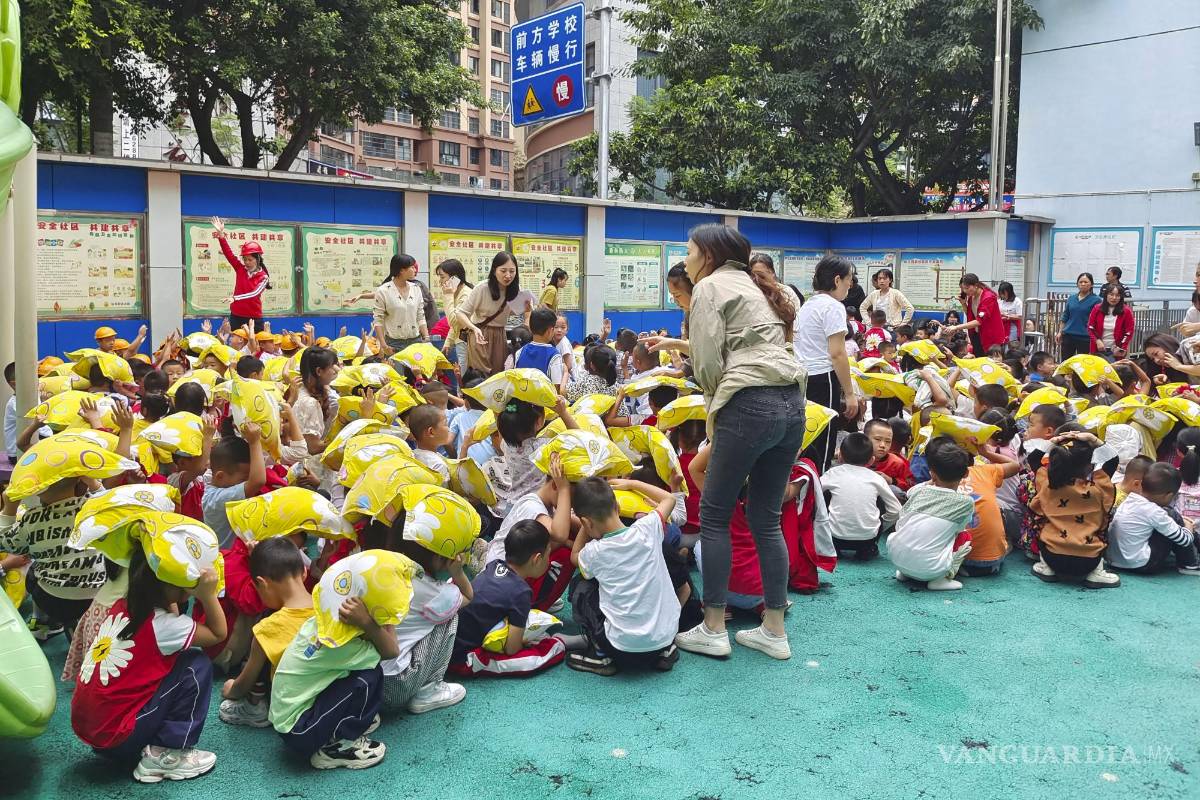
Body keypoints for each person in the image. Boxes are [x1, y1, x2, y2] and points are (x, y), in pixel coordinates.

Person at [671, 223, 804, 662]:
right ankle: (774, 630)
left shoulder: (709, 286)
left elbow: (708, 362)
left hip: (747, 402)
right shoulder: (756, 284)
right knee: (766, 519)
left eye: (690, 251)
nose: (686, 259)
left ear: (708, 255)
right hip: (792, 403)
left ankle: (713, 628)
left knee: (714, 515)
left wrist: (716, 409)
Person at [71, 551, 226, 783]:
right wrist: (208, 595)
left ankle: (148, 743)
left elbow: (172, 625)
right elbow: (218, 633)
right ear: (169, 585)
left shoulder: (123, 605)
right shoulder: (163, 625)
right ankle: (166, 753)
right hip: (117, 739)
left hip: (95, 733)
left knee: (177, 660)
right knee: (196, 664)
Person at [269, 578, 397, 769]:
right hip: (300, 731)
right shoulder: (337, 644)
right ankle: (337, 746)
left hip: (291, 722)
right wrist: (374, 623)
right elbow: (391, 651)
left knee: (357, 670)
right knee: (369, 675)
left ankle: (342, 724)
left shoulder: (320, 624)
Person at [567, 477, 683, 676]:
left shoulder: (594, 552)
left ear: (585, 522)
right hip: (664, 637)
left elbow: (574, 556)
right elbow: (669, 499)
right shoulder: (648, 528)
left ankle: (600, 655)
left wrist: (585, 529)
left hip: (620, 648)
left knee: (580, 585)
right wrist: (631, 484)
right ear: (618, 508)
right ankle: (665, 652)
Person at [449, 520, 568, 676]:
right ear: (537, 559)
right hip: (461, 658)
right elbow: (512, 649)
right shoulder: (522, 592)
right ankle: (558, 645)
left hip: (447, 639)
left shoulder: (494, 565)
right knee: (536, 656)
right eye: (548, 554)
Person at [218, 538, 314, 729]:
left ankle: (254, 706)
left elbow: (241, 687)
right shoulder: (324, 604)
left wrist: (230, 689)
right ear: (304, 572)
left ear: (262, 583)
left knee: (260, 654)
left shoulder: (268, 629)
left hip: (290, 706)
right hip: (323, 696)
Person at [794, 255, 863, 471]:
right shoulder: (833, 307)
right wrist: (850, 394)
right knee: (824, 437)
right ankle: (820, 480)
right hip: (823, 378)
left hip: (802, 377)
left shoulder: (808, 305)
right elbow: (837, 354)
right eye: (849, 279)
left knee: (808, 433)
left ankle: (805, 480)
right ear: (837, 280)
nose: (850, 284)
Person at [1028, 430, 1120, 588]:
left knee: (1042, 524)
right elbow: (1113, 460)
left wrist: (1055, 440)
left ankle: (1046, 568)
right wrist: (1093, 439)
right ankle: (1096, 573)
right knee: (1101, 530)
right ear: (1090, 466)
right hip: (1089, 560)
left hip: (1053, 556)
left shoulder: (1047, 484)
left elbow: (1033, 458)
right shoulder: (1098, 488)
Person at [888, 437, 977, 591]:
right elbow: (958, 530)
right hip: (930, 570)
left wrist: (931, 481)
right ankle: (941, 579)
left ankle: (905, 572)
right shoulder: (966, 502)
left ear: (932, 474)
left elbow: (910, 492)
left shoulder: (919, 491)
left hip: (896, 559)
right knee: (964, 536)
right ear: (966, 473)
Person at [1108, 462, 1200, 576]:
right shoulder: (1155, 512)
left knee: (1170, 518)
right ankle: (1189, 564)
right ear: (1168, 495)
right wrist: (1188, 526)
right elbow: (1185, 540)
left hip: (1115, 562)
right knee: (1172, 515)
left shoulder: (1129, 500)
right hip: (1141, 565)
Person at [821, 432, 902, 560]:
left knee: (824, 495)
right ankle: (866, 550)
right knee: (878, 499)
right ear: (871, 460)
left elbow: (813, 492)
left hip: (834, 536)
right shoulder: (877, 478)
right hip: (868, 539)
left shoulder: (832, 474)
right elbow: (896, 509)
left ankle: (833, 548)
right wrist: (880, 526)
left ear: (840, 456)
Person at [457, 251, 522, 374]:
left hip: (500, 335)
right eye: (503, 271)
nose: (508, 275)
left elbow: (513, 312)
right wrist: (473, 328)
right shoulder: (482, 288)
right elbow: (461, 313)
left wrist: (526, 308)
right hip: (480, 334)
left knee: (498, 374)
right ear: (494, 270)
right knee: (481, 375)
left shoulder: (516, 289)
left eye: (512, 271)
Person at [202, 427, 267, 549]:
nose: (247, 482)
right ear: (220, 476)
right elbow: (258, 481)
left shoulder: (218, 482)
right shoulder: (216, 499)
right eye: (244, 479)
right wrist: (254, 442)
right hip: (227, 557)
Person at [211, 216, 270, 330]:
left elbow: (254, 294)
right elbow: (229, 254)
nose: (247, 262)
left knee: (255, 342)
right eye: (245, 259)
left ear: (257, 259)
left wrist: (235, 298)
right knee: (235, 340)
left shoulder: (263, 277)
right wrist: (221, 234)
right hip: (236, 316)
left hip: (253, 318)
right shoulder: (240, 269)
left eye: (250, 260)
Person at [371, 254, 428, 354]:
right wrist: (384, 346)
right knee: (395, 365)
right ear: (402, 270)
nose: (415, 270)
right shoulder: (383, 291)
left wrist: (427, 339)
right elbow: (378, 320)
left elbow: (420, 316)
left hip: (416, 342)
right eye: (412, 267)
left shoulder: (416, 288)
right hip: (393, 343)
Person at [944, 274, 1006, 356]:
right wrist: (963, 303)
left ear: (976, 285)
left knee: (990, 360)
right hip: (977, 335)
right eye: (963, 288)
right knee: (977, 358)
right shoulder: (971, 297)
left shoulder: (988, 298)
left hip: (990, 336)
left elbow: (979, 321)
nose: (965, 291)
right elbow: (970, 316)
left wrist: (956, 327)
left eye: (967, 288)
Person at [749, 253, 802, 344]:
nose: (757, 279)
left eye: (761, 276)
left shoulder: (786, 292)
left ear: (772, 273)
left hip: (782, 345)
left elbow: (795, 324)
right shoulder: (749, 292)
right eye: (753, 276)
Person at [435, 259, 473, 373]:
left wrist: (448, 295)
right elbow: (456, 325)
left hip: (467, 342)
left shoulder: (465, 294)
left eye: (442, 277)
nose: (440, 281)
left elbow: (454, 321)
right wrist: (448, 342)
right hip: (461, 340)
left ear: (454, 278)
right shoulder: (457, 292)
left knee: (463, 376)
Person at [1056, 273, 1100, 360]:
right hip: (1068, 335)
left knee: (1083, 362)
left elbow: (1097, 321)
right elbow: (1065, 316)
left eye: (1086, 282)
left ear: (1091, 284)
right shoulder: (1071, 298)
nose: (1083, 284)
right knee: (1066, 361)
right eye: (1080, 282)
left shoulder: (1096, 300)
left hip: (1085, 337)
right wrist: (1060, 332)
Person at [514, 308, 565, 383]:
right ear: (550, 331)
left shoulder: (519, 352)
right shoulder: (554, 355)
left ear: (530, 329)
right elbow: (556, 386)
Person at [408, 404, 452, 485]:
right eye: (445, 424)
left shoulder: (411, 456)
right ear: (431, 432)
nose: (448, 429)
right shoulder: (438, 465)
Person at [1087, 283, 1135, 359]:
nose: (1114, 298)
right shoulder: (1097, 308)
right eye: (1111, 294)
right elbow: (1090, 328)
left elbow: (1129, 332)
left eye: (1117, 295)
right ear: (1106, 295)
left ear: (1121, 297)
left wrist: (1122, 347)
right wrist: (1097, 341)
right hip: (1098, 349)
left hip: (1116, 351)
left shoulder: (1126, 311)